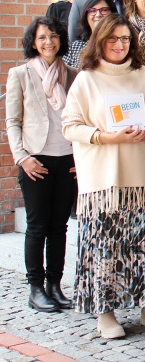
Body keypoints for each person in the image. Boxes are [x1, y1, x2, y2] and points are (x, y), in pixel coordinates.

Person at [62, 14, 145, 339]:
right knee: (104, 248)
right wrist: (106, 137)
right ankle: (105, 313)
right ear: (100, 40)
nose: (120, 44)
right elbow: (70, 126)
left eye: (125, 39)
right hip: (104, 182)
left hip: (142, 180)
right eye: (113, 39)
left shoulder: (143, 76)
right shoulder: (86, 79)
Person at [6, 17, 77, 313]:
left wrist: (80, 158)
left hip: (67, 161)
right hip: (36, 160)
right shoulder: (20, 74)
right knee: (37, 227)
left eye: (53, 36)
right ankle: (35, 288)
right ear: (33, 42)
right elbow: (13, 121)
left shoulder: (72, 74)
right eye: (42, 38)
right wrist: (22, 158)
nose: (49, 42)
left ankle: (54, 285)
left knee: (59, 227)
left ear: (61, 39)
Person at [64, 0, 114, 68]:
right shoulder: (75, 47)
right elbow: (63, 74)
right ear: (86, 16)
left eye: (104, 10)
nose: (98, 15)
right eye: (93, 11)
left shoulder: (118, 45)